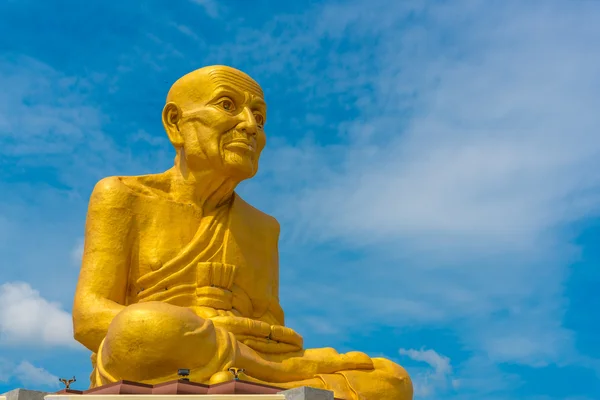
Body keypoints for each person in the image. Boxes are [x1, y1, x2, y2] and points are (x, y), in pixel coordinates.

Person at [72, 65, 413, 400]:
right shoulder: (123, 196)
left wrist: (257, 335)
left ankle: (259, 378)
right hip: (160, 350)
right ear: (175, 123)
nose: (250, 127)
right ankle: (279, 380)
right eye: (227, 106)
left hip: (244, 356)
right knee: (143, 326)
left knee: (391, 379)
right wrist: (202, 323)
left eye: (260, 118)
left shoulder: (263, 227)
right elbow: (88, 318)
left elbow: (271, 328)